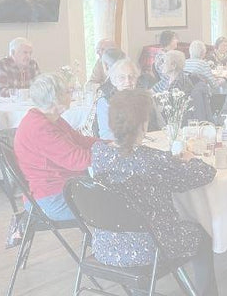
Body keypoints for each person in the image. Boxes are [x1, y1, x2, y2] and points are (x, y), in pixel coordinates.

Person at [89, 89, 219, 296]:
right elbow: (204, 174)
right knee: (201, 234)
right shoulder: (151, 160)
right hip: (148, 247)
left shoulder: (98, 153)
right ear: (143, 124)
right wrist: (191, 157)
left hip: (106, 246)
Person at [13, 74, 98, 221]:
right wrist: (113, 154)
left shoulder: (48, 118)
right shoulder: (40, 128)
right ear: (55, 100)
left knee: (116, 197)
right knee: (113, 204)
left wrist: (110, 143)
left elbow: (80, 140)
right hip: (51, 199)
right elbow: (77, 160)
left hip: (60, 188)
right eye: (67, 91)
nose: (71, 93)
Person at [96, 58, 145, 141]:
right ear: (114, 81)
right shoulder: (105, 102)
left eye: (131, 77)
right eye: (122, 77)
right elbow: (106, 135)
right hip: (118, 148)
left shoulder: (144, 99)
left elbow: (158, 125)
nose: (128, 81)